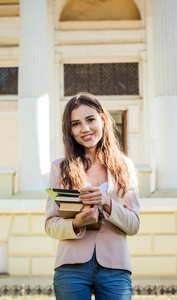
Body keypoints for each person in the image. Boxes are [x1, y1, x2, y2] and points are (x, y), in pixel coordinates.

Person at [45, 92, 141, 300]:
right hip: (71, 268)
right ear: (70, 130)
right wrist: (76, 223)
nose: (85, 129)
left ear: (102, 119)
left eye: (90, 120)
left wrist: (107, 203)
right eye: (76, 124)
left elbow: (133, 225)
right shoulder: (60, 168)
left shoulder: (125, 166)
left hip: (115, 268)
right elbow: (50, 224)